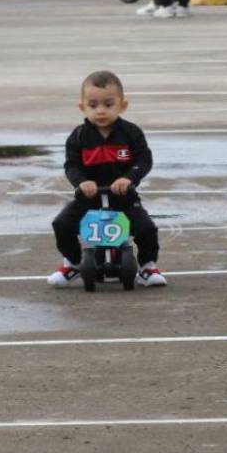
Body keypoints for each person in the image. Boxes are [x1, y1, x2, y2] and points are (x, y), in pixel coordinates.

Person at [47, 70, 164, 289]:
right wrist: (81, 182)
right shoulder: (79, 136)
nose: (100, 111)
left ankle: (148, 266)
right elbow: (71, 165)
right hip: (89, 198)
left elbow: (143, 159)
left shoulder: (130, 133)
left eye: (108, 105)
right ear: (82, 107)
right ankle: (72, 263)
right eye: (93, 105)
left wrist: (128, 178)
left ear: (122, 105)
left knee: (146, 228)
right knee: (62, 224)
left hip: (123, 197)